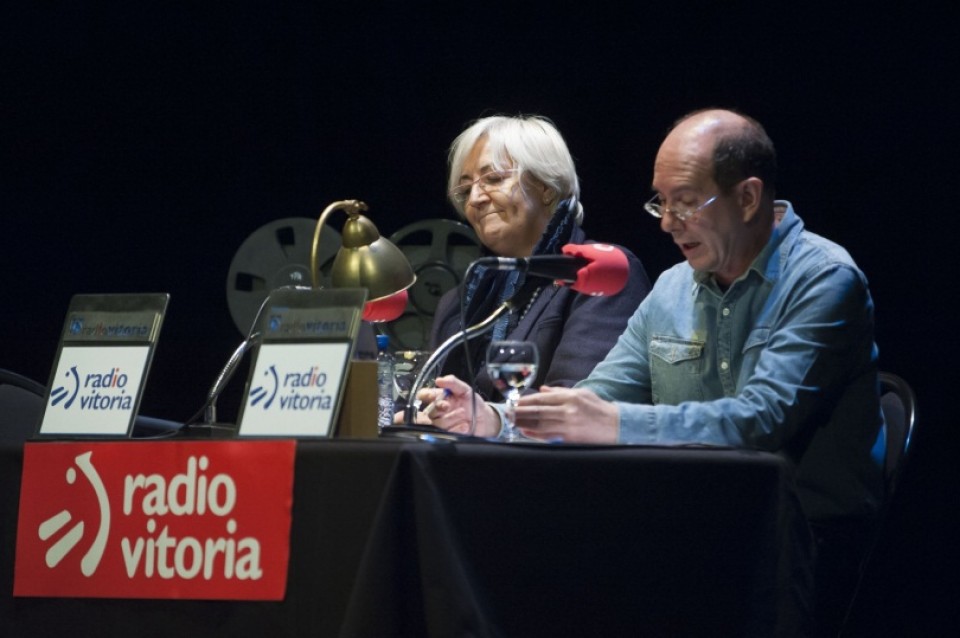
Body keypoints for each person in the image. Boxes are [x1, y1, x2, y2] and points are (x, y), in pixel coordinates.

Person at [424, 108, 884, 635]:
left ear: (748, 198)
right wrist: (499, 422)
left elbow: (761, 421)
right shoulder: (671, 288)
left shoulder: (825, 278)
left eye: (685, 203)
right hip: (691, 525)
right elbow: (597, 395)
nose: (667, 223)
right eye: (660, 203)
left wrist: (615, 424)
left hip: (794, 540)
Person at [421, 114, 651, 410]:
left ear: (547, 188)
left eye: (493, 179)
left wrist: (485, 419)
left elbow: (581, 404)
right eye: (465, 190)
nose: (475, 199)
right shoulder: (456, 303)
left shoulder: (599, 275)